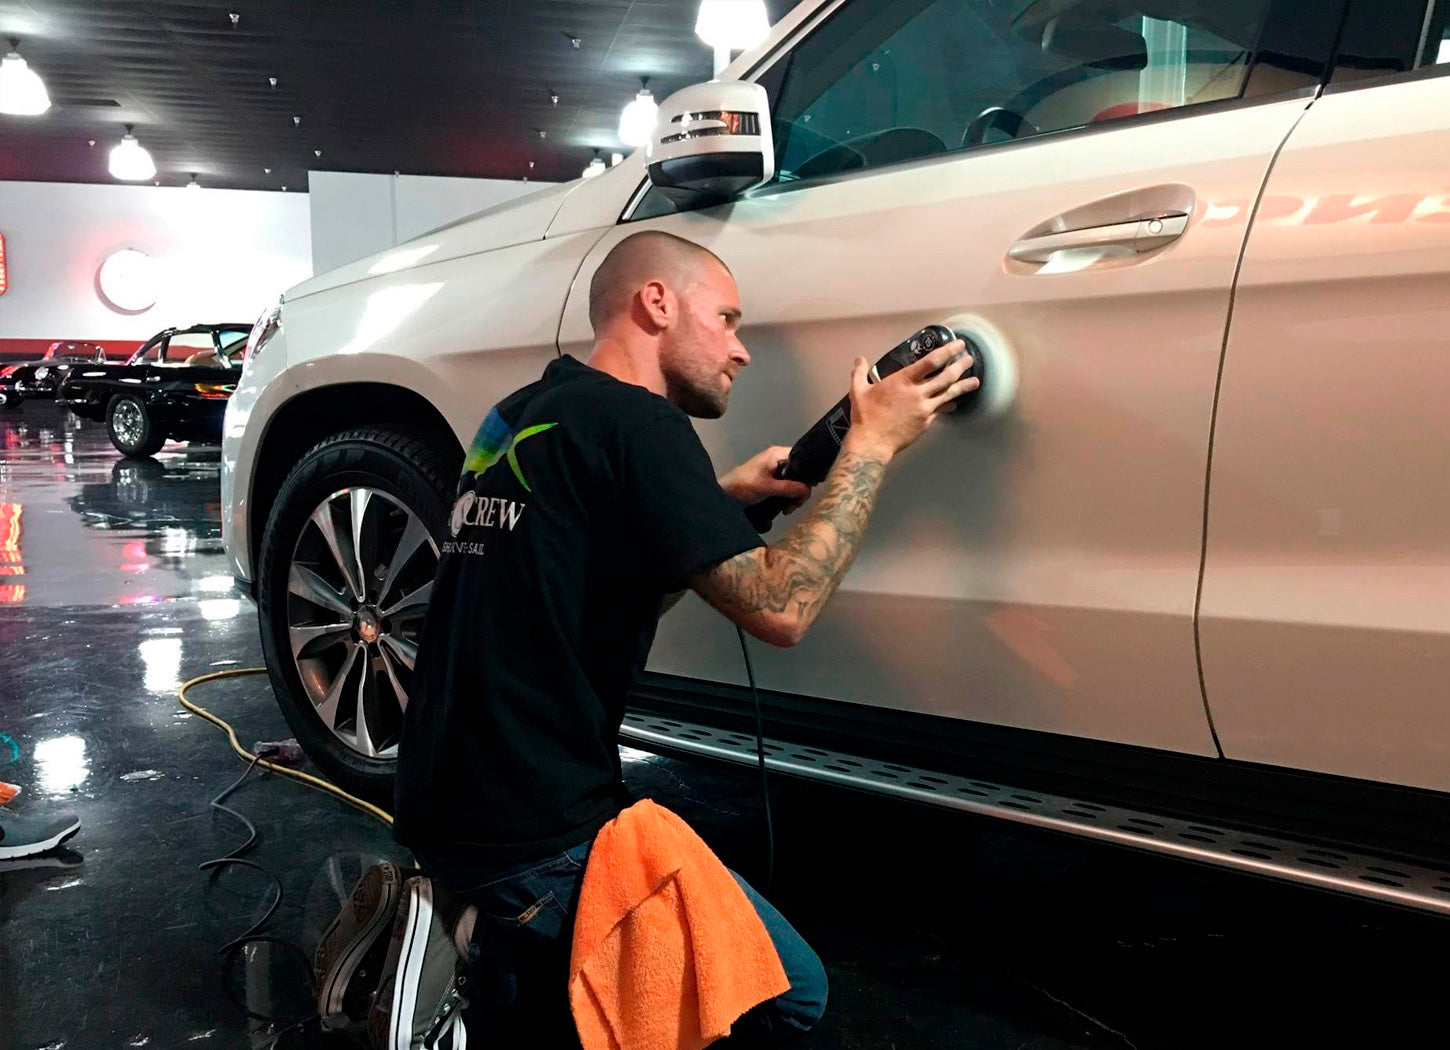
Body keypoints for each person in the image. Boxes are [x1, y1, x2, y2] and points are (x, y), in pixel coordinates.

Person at [372, 230, 978, 1047]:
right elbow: (783, 610)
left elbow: (595, 582)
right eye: (725, 319)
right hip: (539, 835)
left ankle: (487, 938)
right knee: (791, 994)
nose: (740, 351)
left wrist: (719, 505)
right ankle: (490, 956)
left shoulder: (521, 414)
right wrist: (871, 444)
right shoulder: (639, 425)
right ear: (656, 302)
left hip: (439, 808)